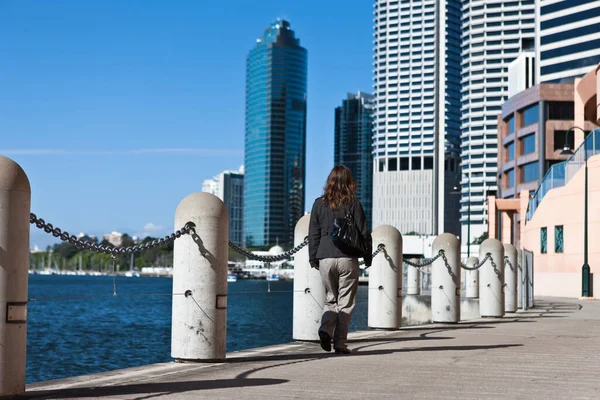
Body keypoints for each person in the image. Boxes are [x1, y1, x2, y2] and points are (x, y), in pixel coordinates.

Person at [308, 165, 372, 354]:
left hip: (325, 257)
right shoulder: (353, 203)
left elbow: (313, 234)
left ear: (330, 181)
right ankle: (340, 344)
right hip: (347, 257)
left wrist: (313, 257)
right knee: (346, 302)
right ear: (349, 182)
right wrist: (367, 256)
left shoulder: (319, 204)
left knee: (330, 299)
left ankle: (325, 330)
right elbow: (363, 233)